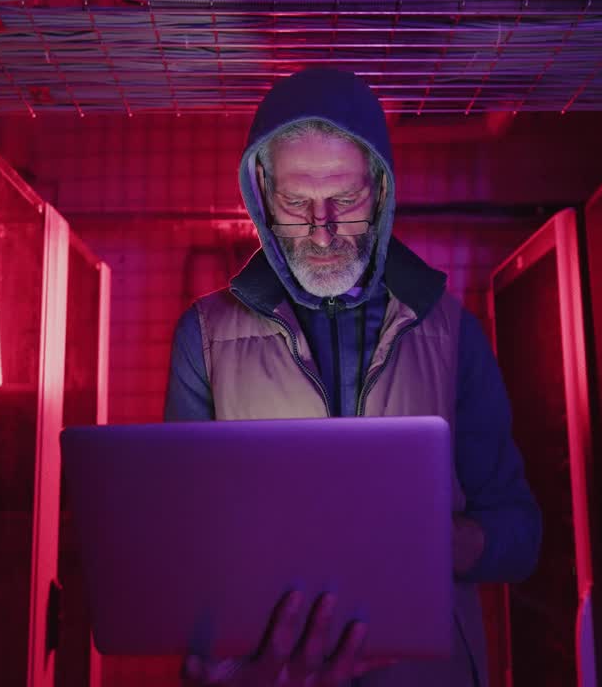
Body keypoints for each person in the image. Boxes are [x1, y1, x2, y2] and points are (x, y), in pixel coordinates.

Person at [164, 67, 542, 686]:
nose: (323, 229)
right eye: (295, 202)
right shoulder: (202, 337)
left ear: (382, 188)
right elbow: (180, 542)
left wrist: (445, 542)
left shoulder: (452, 332)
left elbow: (520, 535)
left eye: (345, 198)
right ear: (260, 190)